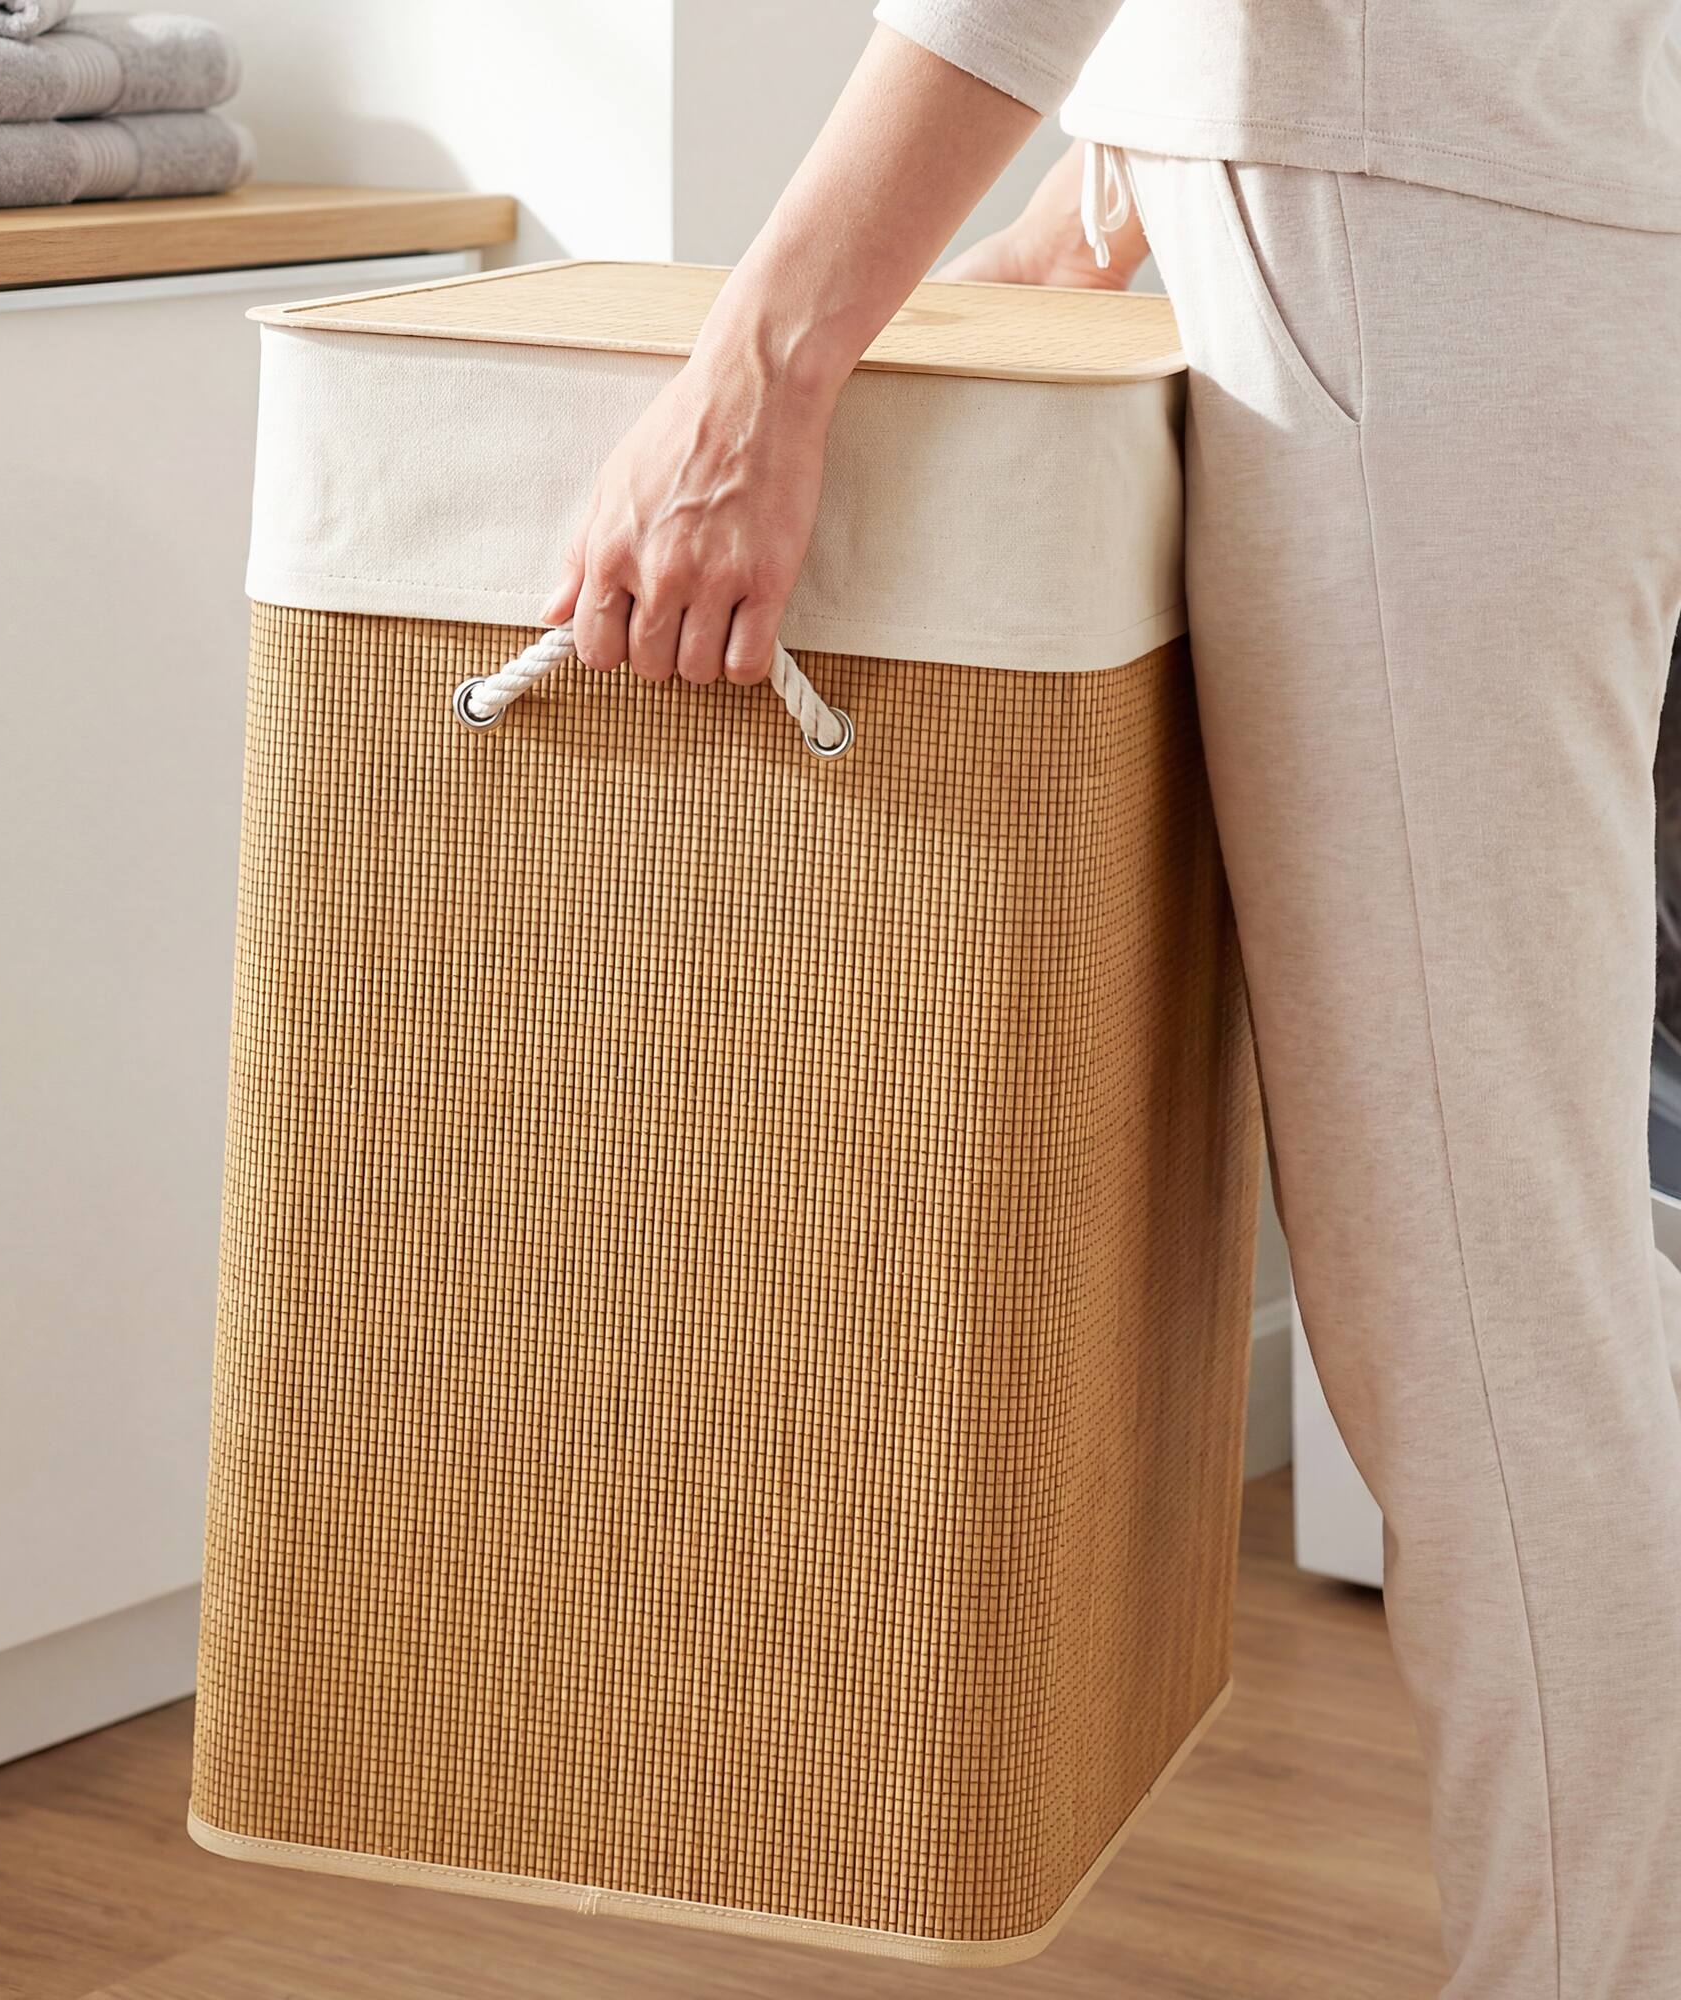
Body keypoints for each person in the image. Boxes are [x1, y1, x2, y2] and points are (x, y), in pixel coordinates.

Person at [538, 7, 1681, 1997]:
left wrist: (767, 358)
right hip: (1484, 222)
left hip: (1417, 252)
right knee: (1554, 1277)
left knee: (1495, 1331)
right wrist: (1122, 173)